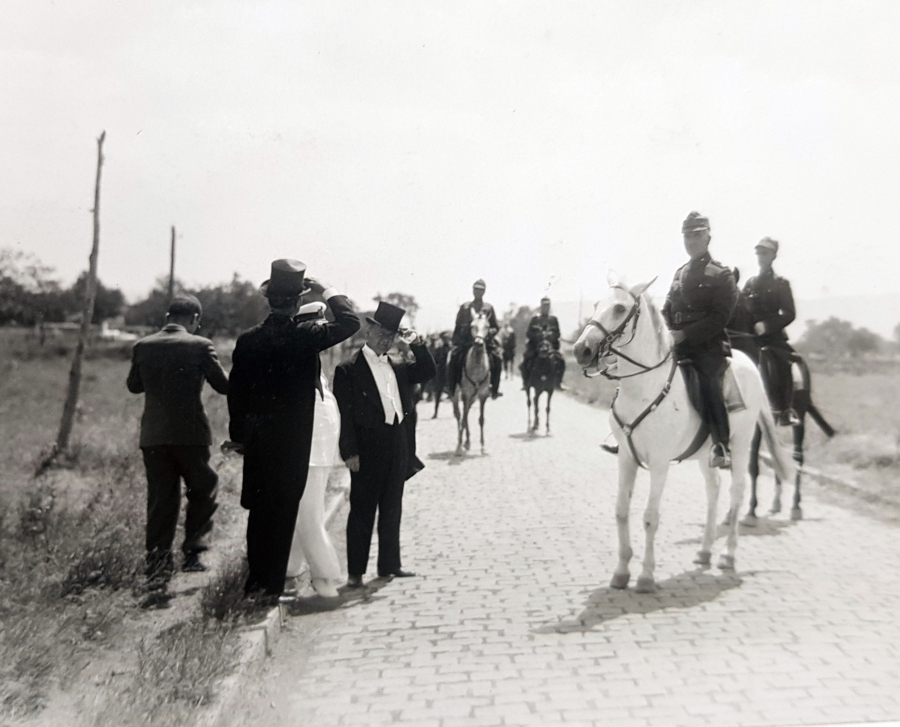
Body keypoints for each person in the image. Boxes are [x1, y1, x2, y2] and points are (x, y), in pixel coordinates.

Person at [227, 260, 359, 600]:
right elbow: (350, 321)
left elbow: (236, 394)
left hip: (258, 438)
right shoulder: (306, 336)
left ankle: (256, 583)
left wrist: (240, 436)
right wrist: (327, 290)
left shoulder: (247, 341)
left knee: (259, 513)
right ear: (298, 302)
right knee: (285, 512)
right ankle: (270, 588)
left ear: (269, 299)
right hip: (293, 441)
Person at [126, 294, 229, 602]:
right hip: (190, 434)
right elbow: (223, 385)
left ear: (168, 315)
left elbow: (134, 386)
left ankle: (157, 563)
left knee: (161, 498)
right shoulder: (200, 345)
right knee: (204, 486)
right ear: (195, 319)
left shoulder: (143, 346)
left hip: (154, 435)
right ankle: (193, 553)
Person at [332, 302, 435, 588]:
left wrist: (417, 343)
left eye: (391, 335)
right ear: (369, 329)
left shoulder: (398, 365)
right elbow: (345, 416)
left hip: (397, 444)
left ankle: (390, 565)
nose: (385, 339)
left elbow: (427, 371)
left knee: (392, 507)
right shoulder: (348, 369)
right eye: (381, 333)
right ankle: (355, 573)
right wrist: (349, 452)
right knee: (362, 510)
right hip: (366, 449)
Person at [662, 211, 739, 469]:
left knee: (707, 383)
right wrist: (666, 333)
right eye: (687, 236)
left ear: (708, 237)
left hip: (707, 347)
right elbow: (666, 310)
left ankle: (721, 445)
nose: (691, 241)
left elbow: (720, 318)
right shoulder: (679, 273)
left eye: (697, 235)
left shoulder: (721, 275)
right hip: (677, 345)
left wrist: (684, 334)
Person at [284, 301, 344, 599]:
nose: (323, 335)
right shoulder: (300, 360)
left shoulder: (315, 366)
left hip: (317, 454)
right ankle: (312, 575)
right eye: (318, 327)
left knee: (308, 512)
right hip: (305, 452)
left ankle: (307, 575)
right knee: (308, 514)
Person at [743, 237, 798, 425]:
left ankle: (784, 409)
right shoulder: (750, 283)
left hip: (773, 338)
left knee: (781, 363)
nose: (760, 257)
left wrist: (766, 326)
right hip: (750, 337)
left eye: (765, 253)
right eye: (758, 253)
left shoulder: (781, 283)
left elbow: (789, 314)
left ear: (773, 256)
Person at [447, 279, 503, 399]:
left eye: (481, 290)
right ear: (472, 290)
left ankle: (494, 389)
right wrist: (457, 340)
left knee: (497, 359)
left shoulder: (488, 308)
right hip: (466, 342)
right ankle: (452, 388)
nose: (478, 292)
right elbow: (457, 325)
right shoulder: (465, 307)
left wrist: (487, 333)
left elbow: (495, 327)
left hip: (485, 342)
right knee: (454, 358)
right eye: (476, 289)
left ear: (484, 292)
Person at [520, 296, 565, 390]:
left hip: (550, 347)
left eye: (548, 305)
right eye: (544, 305)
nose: (546, 307)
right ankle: (526, 382)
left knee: (561, 361)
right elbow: (528, 333)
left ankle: (558, 382)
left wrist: (551, 335)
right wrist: (537, 336)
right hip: (536, 347)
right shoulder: (535, 319)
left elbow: (558, 333)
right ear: (541, 306)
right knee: (525, 362)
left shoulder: (553, 320)